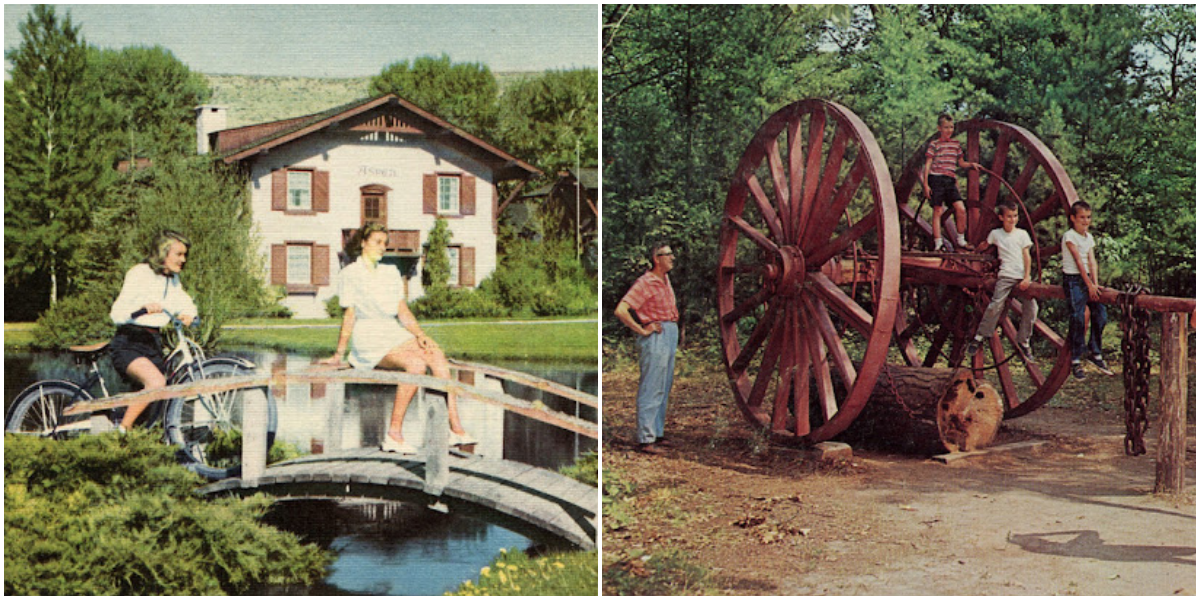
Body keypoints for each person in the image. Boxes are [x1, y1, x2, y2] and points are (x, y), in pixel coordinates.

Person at [321, 222, 473, 454]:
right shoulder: (349, 274)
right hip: (368, 336)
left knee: (434, 351)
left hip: (393, 331)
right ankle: (394, 434)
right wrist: (338, 354)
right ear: (363, 242)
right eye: (377, 242)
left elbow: (402, 310)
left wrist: (420, 335)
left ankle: (455, 428)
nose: (382, 248)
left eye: (385, 243)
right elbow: (350, 315)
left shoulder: (390, 272)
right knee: (415, 365)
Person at [108, 230, 198, 431]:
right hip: (129, 343)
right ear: (163, 253)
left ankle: (141, 438)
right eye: (179, 254)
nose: (183, 260)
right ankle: (121, 432)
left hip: (153, 343)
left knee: (161, 395)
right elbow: (116, 314)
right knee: (157, 383)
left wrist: (189, 314)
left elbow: (183, 301)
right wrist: (141, 309)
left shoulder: (172, 279)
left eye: (185, 255)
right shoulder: (140, 273)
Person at [614, 242, 679, 455]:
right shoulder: (645, 282)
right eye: (667, 255)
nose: (672, 258)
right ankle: (645, 439)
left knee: (664, 384)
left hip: (669, 332)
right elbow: (621, 310)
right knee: (651, 385)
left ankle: (657, 433)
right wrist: (641, 330)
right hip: (655, 336)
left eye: (671, 254)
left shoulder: (665, 279)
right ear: (656, 259)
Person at [963, 201, 1038, 363]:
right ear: (1001, 218)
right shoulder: (996, 234)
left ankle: (1023, 341)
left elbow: (1027, 256)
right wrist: (973, 253)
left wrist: (1027, 277)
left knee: (1032, 308)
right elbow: (985, 245)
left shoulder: (1022, 234)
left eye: (1015, 216)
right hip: (1005, 275)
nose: (1013, 219)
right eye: (1009, 216)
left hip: (1021, 277)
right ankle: (979, 336)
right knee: (996, 304)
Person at [1061, 201, 1114, 380]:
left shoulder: (1088, 237)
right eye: (1082, 217)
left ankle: (1095, 352)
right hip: (1074, 280)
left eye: (1088, 217)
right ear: (1073, 218)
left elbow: (1092, 261)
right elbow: (1078, 261)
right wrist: (1088, 284)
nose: (1086, 221)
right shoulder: (1069, 236)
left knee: (1100, 314)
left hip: (1088, 278)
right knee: (1078, 317)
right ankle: (1075, 359)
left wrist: (1095, 284)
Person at [921, 114, 983, 252]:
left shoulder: (955, 144)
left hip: (950, 180)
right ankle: (938, 243)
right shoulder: (934, 144)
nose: (949, 130)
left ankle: (961, 239)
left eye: (951, 127)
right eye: (946, 127)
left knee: (960, 209)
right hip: (936, 178)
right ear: (939, 128)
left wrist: (971, 164)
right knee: (937, 210)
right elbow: (928, 164)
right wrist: (926, 184)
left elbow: (960, 163)